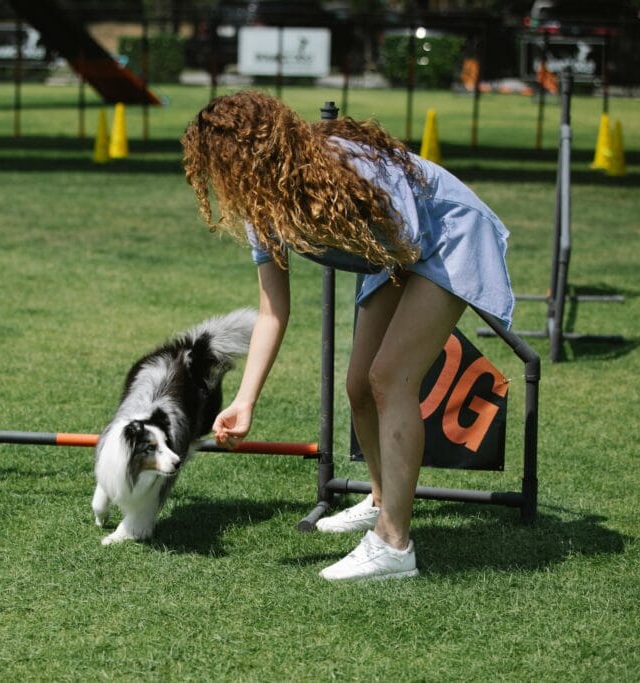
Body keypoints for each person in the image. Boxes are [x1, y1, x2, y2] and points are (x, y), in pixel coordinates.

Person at [181, 91, 514, 582]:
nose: (218, 181)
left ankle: (393, 544)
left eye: (220, 165)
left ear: (248, 154)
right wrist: (246, 402)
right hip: (398, 254)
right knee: (360, 384)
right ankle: (381, 500)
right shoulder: (262, 205)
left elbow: (410, 230)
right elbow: (273, 310)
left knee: (390, 378)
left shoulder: (346, 165)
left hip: (446, 237)